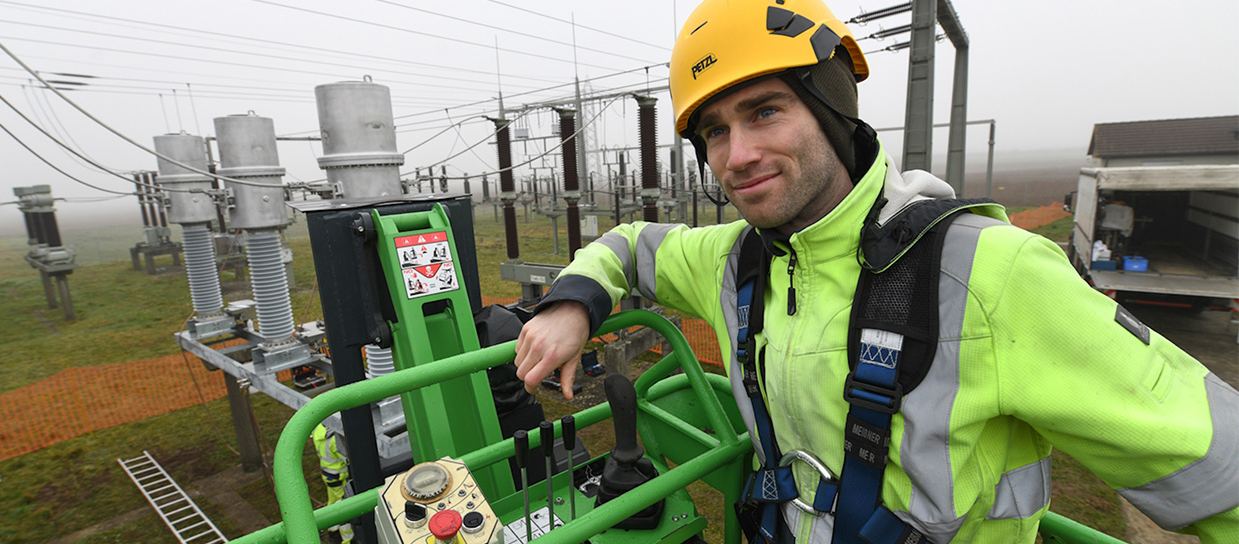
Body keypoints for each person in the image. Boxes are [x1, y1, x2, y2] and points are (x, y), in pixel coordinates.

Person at [512, 0, 1239, 542]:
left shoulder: (988, 274)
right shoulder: (736, 259)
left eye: (765, 111)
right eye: (714, 131)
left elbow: (1219, 469)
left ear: (832, 108)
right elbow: (632, 246)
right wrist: (571, 304)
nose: (736, 156)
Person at [313, 422, 354, 543]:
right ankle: (348, 539)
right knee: (342, 507)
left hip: (327, 474)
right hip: (339, 477)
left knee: (332, 502)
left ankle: (333, 532)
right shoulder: (334, 440)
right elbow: (346, 457)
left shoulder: (318, 430)